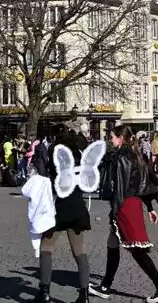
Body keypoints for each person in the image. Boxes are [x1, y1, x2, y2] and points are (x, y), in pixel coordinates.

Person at [97, 124, 158, 302]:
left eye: (113, 137)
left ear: (121, 138)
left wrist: (116, 207)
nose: (111, 140)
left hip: (125, 205)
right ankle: (106, 285)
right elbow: (142, 183)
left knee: (136, 249)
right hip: (132, 203)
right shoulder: (135, 155)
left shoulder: (122, 156)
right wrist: (150, 207)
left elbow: (120, 185)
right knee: (112, 241)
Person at [31, 126, 100, 303]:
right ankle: (84, 295)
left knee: (46, 246)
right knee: (79, 251)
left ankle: (44, 292)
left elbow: (50, 178)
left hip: (60, 206)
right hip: (78, 205)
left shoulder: (56, 153)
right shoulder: (78, 153)